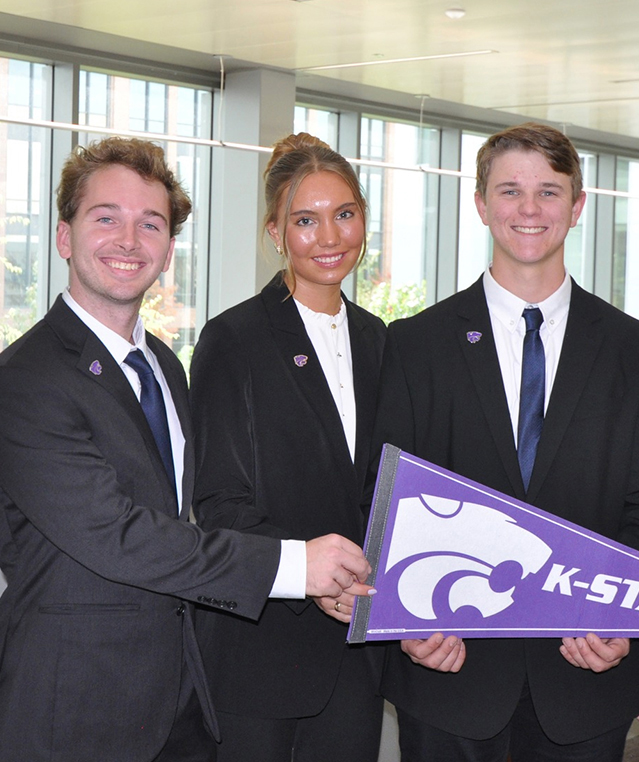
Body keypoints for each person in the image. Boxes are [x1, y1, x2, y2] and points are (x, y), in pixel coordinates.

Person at [0, 136, 372, 762]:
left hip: (182, 700)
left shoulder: (162, 364)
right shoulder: (24, 383)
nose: (128, 241)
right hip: (74, 706)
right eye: (106, 218)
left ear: (167, 250)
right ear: (63, 236)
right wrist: (294, 567)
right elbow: (116, 535)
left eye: (149, 224)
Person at [371, 122, 639, 761]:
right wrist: (409, 617)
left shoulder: (637, 349)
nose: (529, 210)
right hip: (450, 666)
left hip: (585, 667)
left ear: (578, 205)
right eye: (509, 191)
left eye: (548, 191)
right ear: (480, 204)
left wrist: (623, 620)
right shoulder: (415, 344)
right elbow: (390, 496)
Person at [188, 133, 386, 761]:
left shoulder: (380, 340)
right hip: (263, 654)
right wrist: (307, 573)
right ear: (275, 230)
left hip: (356, 659)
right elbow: (220, 500)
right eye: (306, 220)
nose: (330, 237)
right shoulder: (234, 340)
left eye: (344, 215)